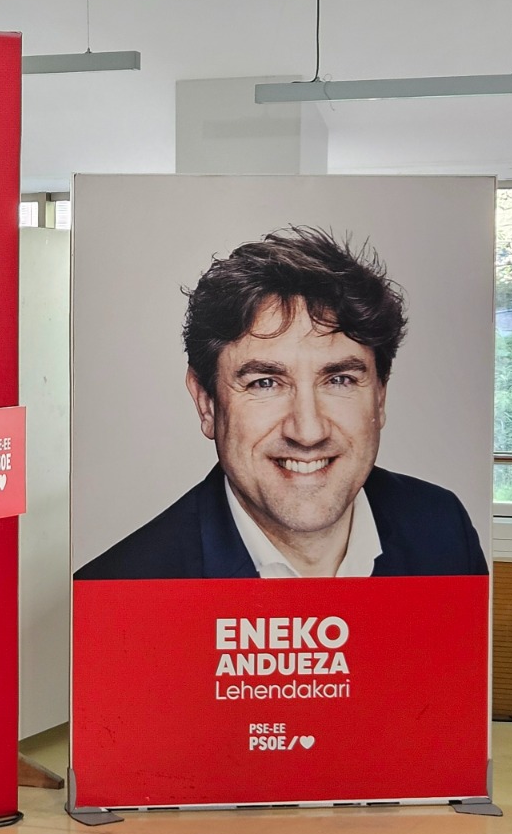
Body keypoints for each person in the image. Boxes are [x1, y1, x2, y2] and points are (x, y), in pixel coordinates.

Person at [75, 226, 486, 581]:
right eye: (265, 382)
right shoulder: (122, 587)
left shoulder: (443, 527)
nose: (308, 431)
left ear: (379, 398)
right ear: (207, 404)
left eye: (339, 379)